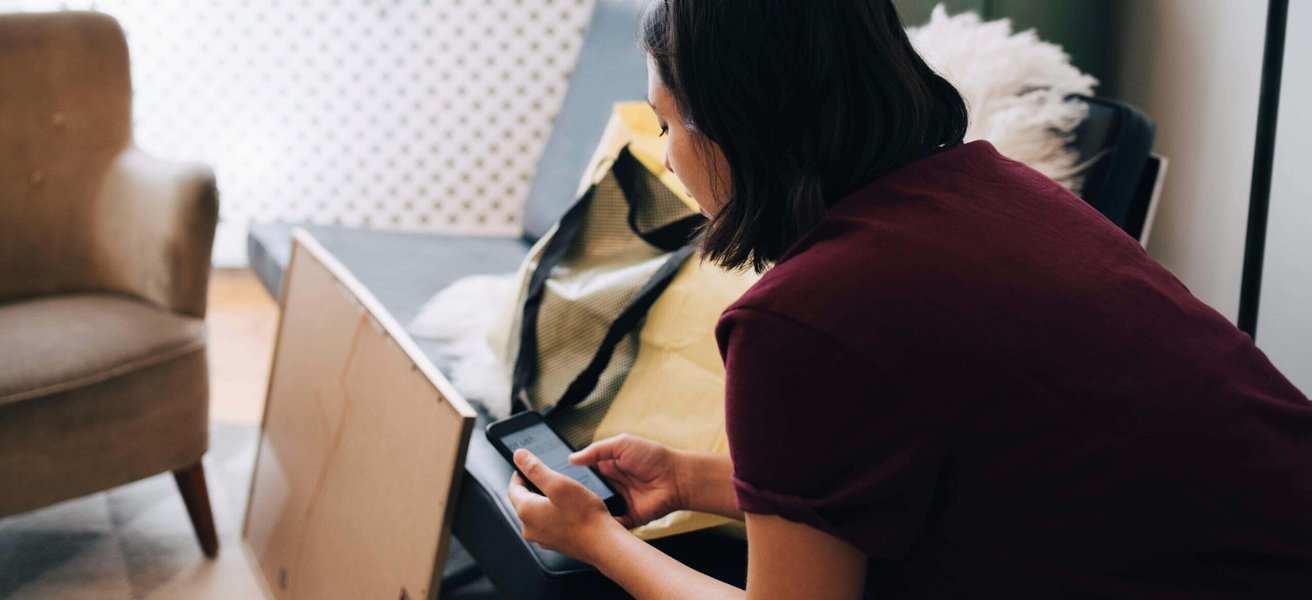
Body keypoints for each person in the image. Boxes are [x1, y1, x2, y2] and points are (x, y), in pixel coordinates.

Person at [505, 0, 1312, 598]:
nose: (667, 156)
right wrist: (691, 480)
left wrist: (598, 542)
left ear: (739, 126)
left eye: (667, 121)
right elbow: (943, 474)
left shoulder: (802, 317)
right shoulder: (994, 185)